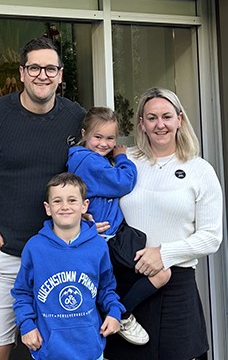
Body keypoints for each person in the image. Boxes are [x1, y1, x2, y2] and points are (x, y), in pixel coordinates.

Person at [0, 36, 86, 360]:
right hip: (7, 258)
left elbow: (98, 171)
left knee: (61, 353)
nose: (43, 75)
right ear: (23, 73)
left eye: (50, 68)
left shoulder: (77, 118)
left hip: (62, 258)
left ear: (61, 74)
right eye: (35, 67)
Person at [103, 87, 224, 360]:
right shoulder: (125, 163)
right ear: (141, 124)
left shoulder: (200, 170)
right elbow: (97, 201)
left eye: (167, 117)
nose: (160, 125)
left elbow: (211, 237)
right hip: (125, 286)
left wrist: (163, 254)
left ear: (179, 119)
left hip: (175, 287)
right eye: (152, 117)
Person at [66, 106, 171, 346]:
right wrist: (122, 156)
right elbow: (123, 182)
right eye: (98, 137)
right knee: (161, 274)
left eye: (111, 139)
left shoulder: (91, 158)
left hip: (110, 235)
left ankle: (117, 311)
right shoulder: (88, 161)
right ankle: (121, 314)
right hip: (106, 238)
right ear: (84, 134)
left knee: (116, 282)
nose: (104, 144)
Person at [11, 172, 124, 360]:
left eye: (72, 200)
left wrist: (114, 312)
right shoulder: (35, 247)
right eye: (57, 201)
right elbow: (22, 292)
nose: (65, 207)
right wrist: (27, 325)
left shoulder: (98, 246)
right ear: (48, 208)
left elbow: (106, 287)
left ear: (84, 205)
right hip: (48, 350)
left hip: (90, 349)